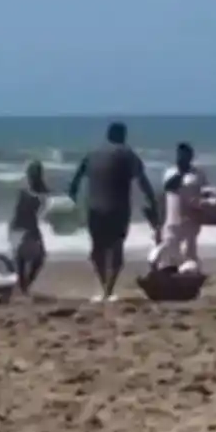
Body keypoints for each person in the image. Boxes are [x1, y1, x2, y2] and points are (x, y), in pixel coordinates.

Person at [68, 122, 158, 303]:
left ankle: (103, 287)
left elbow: (74, 184)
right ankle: (109, 289)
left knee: (97, 249)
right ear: (122, 136)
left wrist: (71, 204)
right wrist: (153, 202)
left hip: (94, 209)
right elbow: (142, 181)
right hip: (118, 209)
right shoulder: (127, 154)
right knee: (116, 248)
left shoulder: (92, 154)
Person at [151, 142, 208, 271]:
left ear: (191, 157)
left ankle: (189, 283)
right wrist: (158, 222)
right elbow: (168, 188)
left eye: (187, 156)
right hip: (171, 221)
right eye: (181, 156)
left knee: (188, 254)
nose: (183, 159)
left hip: (191, 220)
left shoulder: (198, 174)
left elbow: (205, 192)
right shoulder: (170, 172)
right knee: (169, 252)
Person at [9, 160, 50, 295]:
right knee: (34, 258)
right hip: (24, 227)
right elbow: (31, 211)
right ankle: (23, 286)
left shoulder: (25, 190)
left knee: (24, 258)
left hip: (20, 226)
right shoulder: (32, 191)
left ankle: (23, 286)